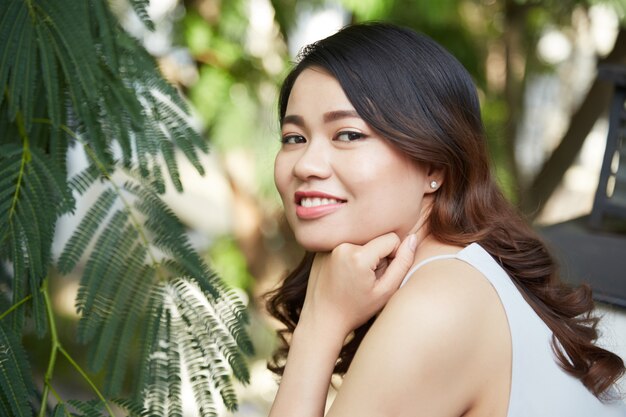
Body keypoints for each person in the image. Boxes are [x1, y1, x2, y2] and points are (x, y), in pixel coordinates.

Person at [265, 22, 626, 417]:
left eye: (348, 135)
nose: (307, 165)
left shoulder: (438, 303)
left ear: (434, 164)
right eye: (294, 138)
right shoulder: (457, 271)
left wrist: (320, 326)